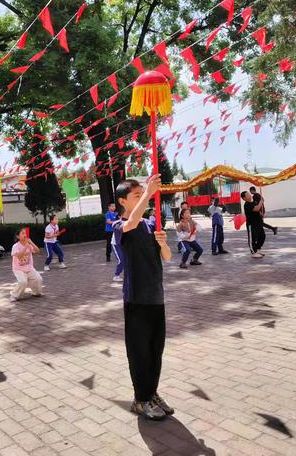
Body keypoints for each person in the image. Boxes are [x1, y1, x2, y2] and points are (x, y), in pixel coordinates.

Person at [113, 174, 174, 421]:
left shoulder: (150, 224)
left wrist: (163, 244)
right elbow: (130, 224)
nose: (143, 199)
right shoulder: (120, 226)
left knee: (155, 350)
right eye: (136, 196)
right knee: (139, 351)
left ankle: (152, 392)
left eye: (143, 194)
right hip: (136, 298)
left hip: (156, 297)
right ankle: (141, 399)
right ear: (122, 201)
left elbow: (167, 257)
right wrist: (149, 192)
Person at [10, 228, 43, 301]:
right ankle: (14, 295)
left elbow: (37, 250)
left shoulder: (29, 244)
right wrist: (26, 246)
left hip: (29, 268)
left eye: (25, 233)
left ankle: (36, 292)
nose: (25, 235)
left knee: (38, 279)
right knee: (23, 282)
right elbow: (19, 256)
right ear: (18, 236)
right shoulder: (15, 246)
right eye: (22, 233)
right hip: (18, 269)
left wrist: (31, 242)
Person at [241, 191, 266, 259]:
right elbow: (256, 208)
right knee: (253, 238)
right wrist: (261, 201)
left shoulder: (253, 202)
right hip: (251, 224)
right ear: (244, 198)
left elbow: (258, 210)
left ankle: (258, 249)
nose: (250, 195)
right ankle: (253, 252)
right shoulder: (247, 205)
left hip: (258, 223)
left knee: (262, 236)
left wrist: (261, 214)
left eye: (249, 193)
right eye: (248, 194)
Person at [111, 214, 124, 282]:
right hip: (116, 244)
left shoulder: (128, 222)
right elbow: (117, 226)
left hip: (122, 244)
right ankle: (116, 276)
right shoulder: (116, 223)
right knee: (121, 260)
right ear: (119, 216)